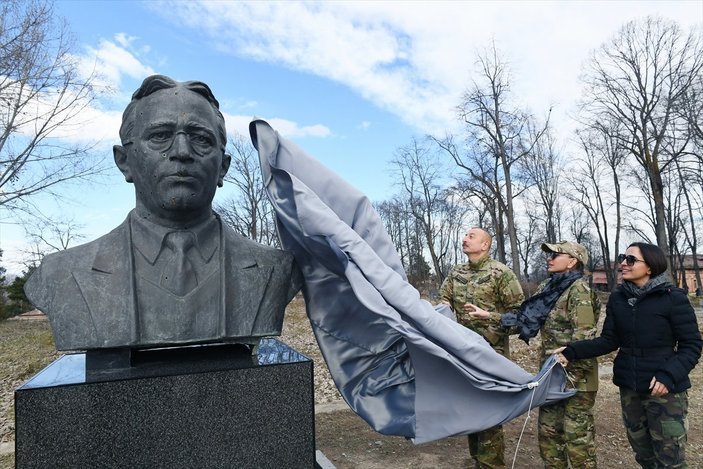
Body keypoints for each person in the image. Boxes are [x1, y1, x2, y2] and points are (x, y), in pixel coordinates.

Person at [25, 75, 302, 351]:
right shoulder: (62, 274)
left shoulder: (275, 269)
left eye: (201, 139)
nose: (182, 151)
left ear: (223, 167)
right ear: (124, 162)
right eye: (160, 136)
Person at [556, 242, 702, 468]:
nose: (623, 263)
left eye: (631, 259)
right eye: (623, 257)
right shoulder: (618, 298)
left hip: (664, 391)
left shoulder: (673, 298)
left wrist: (668, 376)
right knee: (644, 455)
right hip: (630, 389)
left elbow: (691, 345)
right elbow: (609, 341)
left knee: (670, 460)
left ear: (650, 267)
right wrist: (572, 351)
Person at [472, 241, 600, 468]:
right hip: (551, 375)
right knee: (549, 437)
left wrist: (571, 375)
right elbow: (524, 321)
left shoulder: (578, 291)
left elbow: (585, 339)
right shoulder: (546, 289)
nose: (549, 258)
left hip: (577, 379)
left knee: (577, 441)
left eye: (556, 255)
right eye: (549, 255)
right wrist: (488, 316)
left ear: (572, 262)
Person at [439, 227, 525, 469]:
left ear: (485, 244)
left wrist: (489, 316)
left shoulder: (501, 273)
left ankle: (491, 465)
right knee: (471, 410)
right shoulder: (456, 272)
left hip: (491, 357)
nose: (464, 238)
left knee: (489, 414)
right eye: (464, 235)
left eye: (471, 236)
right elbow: (442, 302)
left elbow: (521, 317)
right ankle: (478, 461)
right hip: (462, 356)